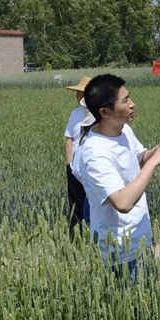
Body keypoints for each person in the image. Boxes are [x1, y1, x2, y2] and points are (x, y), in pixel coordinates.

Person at [77, 74, 160, 281]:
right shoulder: (95, 152)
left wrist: (155, 150)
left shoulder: (124, 131)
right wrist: (154, 162)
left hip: (140, 239)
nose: (133, 104)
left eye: (129, 97)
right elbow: (122, 202)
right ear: (104, 112)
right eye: (125, 101)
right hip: (120, 252)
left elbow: (138, 159)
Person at [64, 76, 93, 234]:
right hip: (75, 169)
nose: (76, 96)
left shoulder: (101, 114)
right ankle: (75, 238)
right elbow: (69, 140)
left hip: (93, 167)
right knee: (76, 205)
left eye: (79, 93)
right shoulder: (75, 114)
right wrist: (69, 165)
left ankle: (94, 237)